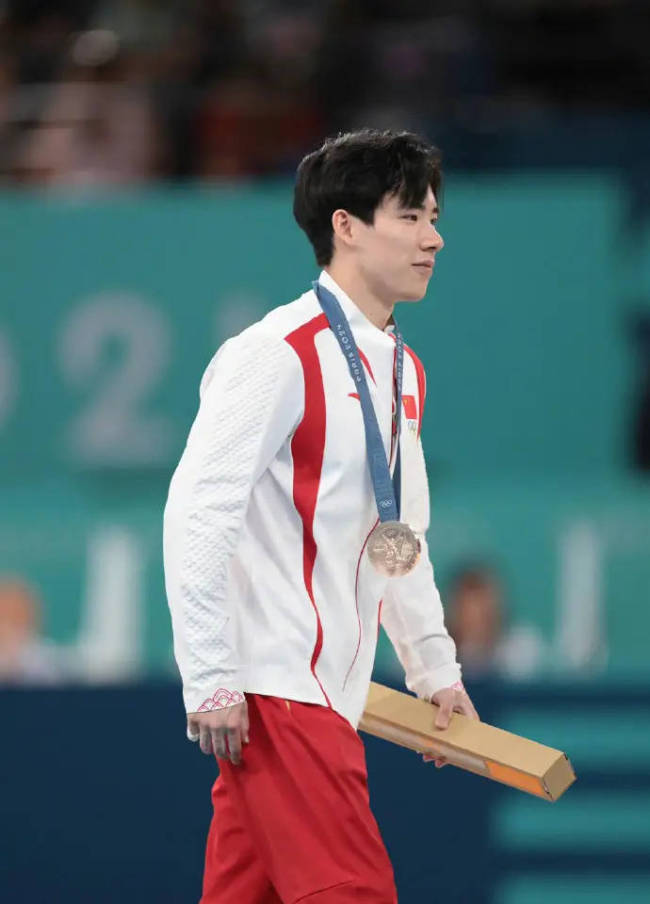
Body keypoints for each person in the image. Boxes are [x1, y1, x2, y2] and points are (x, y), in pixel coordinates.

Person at [163, 128, 479, 904]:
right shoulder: (277, 352)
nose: (433, 239)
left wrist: (435, 669)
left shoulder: (403, 371)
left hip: (326, 699)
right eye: (410, 217)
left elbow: (398, 541)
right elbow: (198, 513)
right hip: (279, 695)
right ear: (347, 226)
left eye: (435, 218)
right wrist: (210, 676)